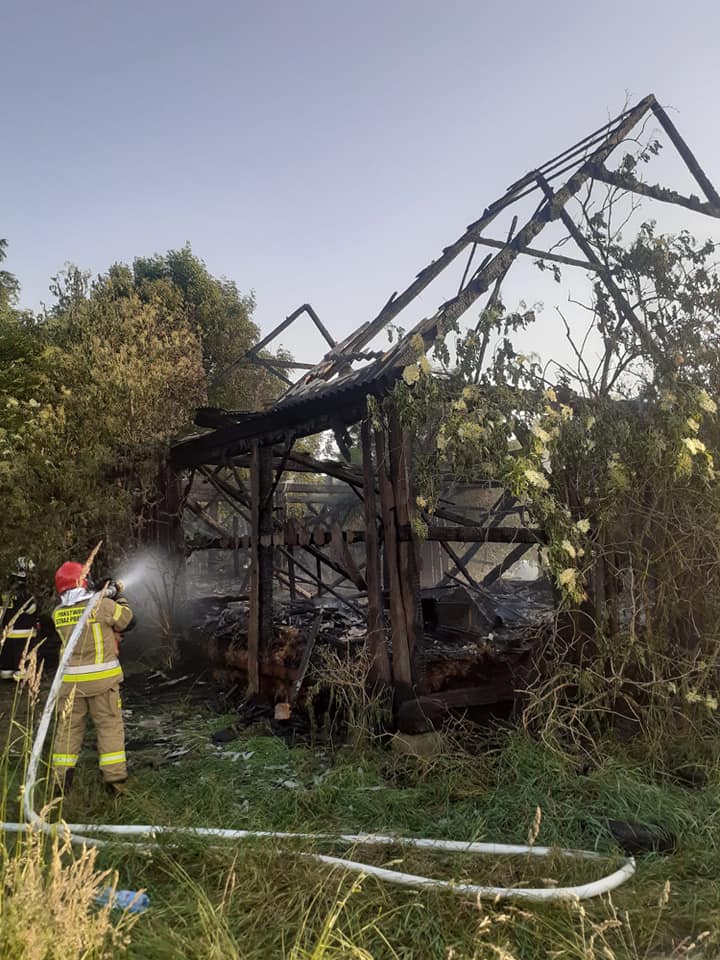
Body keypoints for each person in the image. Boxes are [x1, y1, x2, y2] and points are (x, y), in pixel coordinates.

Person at [51, 561, 134, 794]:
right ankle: (114, 782)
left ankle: (60, 782)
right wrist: (119, 596)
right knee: (109, 727)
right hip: (102, 684)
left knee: (68, 730)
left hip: (70, 685)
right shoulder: (103, 606)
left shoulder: (57, 613)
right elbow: (128, 620)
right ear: (84, 582)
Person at [0, 558, 39, 681]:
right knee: (22, 660)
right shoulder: (24, 592)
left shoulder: (5, 592)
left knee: (7, 659)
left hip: (7, 634)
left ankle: (6, 675)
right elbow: (31, 609)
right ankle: (22, 680)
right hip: (24, 634)